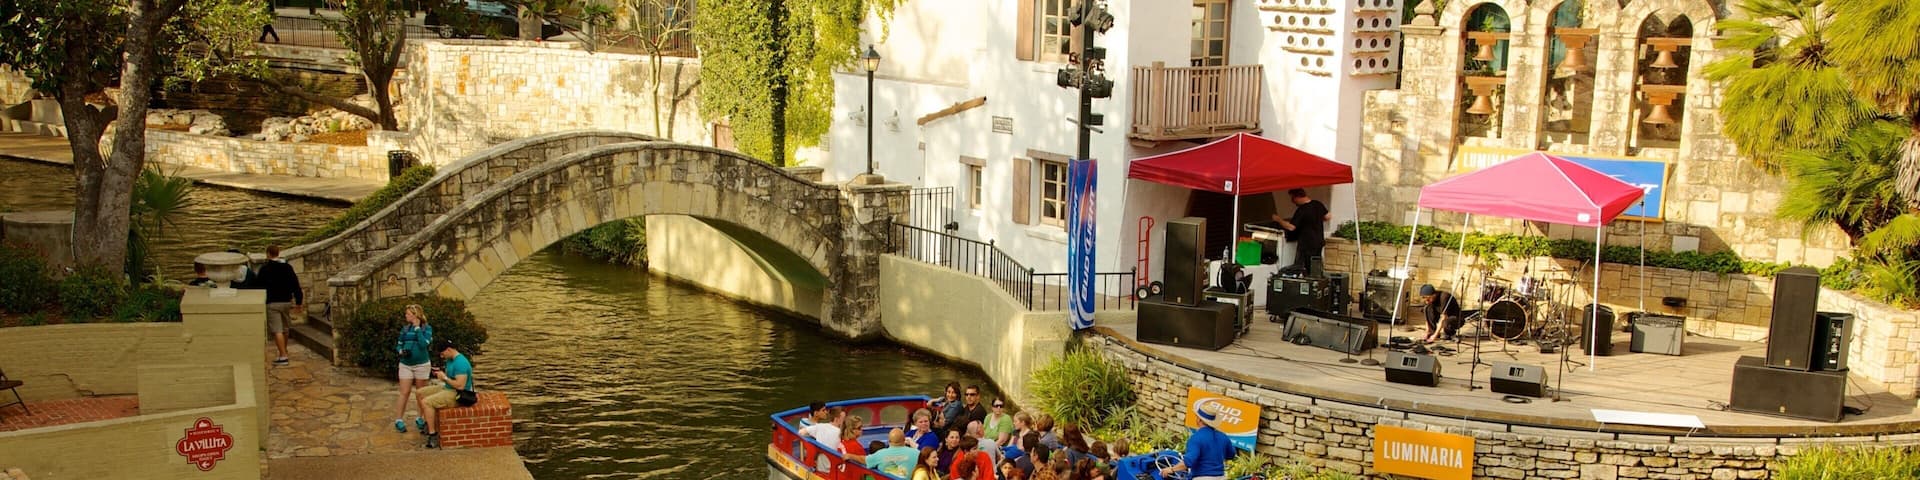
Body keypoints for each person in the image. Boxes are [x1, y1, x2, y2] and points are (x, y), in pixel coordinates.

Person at [413, 339, 473, 449]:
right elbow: (451, 376)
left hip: (458, 394)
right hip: (448, 388)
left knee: (427, 402)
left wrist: (444, 378)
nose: (441, 356)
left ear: (449, 350)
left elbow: (460, 386)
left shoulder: (461, 363)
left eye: (442, 353)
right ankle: (428, 422)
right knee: (419, 393)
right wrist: (439, 372)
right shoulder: (451, 359)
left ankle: (433, 435)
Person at [1156, 401, 1235, 480]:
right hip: (1221, 477)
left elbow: (1188, 462)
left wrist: (1171, 469)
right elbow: (1231, 455)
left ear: (1199, 420)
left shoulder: (1196, 438)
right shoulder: (1223, 436)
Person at [255, 245, 303, 366]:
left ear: (268, 254)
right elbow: (295, 285)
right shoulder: (287, 267)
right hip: (286, 301)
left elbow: (258, 286)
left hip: (272, 302)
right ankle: (284, 350)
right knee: (285, 328)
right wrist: (298, 302)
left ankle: (283, 356)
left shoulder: (264, 269)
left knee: (277, 330)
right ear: (278, 253)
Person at [392, 304, 434, 433]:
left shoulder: (426, 329)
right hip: (406, 364)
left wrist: (417, 329)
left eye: (408, 314)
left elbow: (423, 344)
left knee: (420, 393)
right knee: (404, 392)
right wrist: (400, 351)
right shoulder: (404, 329)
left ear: (415, 315)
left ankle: (420, 417)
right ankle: (399, 419)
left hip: (421, 365)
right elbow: (399, 344)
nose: (406, 316)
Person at [1272, 188, 1331, 270]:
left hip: (1307, 243)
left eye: (1292, 199)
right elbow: (1328, 217)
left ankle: (1308, 280)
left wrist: (1278, 220)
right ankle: (1316, 279)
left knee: (1305, 266)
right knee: (1316, 265)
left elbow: (1291, 227)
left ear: (1297, 197)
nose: (1292, 201)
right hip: (1319, 241)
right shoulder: (1317, 204)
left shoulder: (1302, 210)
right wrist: (1315, 220)